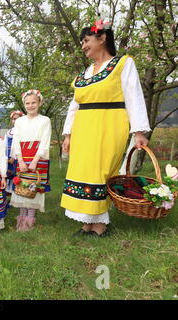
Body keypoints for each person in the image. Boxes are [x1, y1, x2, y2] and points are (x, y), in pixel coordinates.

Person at [61, 20, 150, 237]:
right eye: (82, 41)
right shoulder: (86, 72)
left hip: (109, 123)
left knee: (101, 172)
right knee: (83, 171)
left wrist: (139, 131)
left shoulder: (122, 64)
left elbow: (134, 96)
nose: (83, 46)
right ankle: (87, 224)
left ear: (102, 39)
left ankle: (100, 225)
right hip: (83, 127)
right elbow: (75, 105)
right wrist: (68, 134)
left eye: (86, 40)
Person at [11, 90, 51, 231]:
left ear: (39, 102)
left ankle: (30, 219)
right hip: (23, 156)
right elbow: (16, 141)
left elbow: (44, 141)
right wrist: (20, 160)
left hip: (37, 158)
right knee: (22, 186)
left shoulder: (45, 120)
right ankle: (21, 218)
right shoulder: (20, 121)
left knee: (33, 186)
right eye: (27, 103)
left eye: (33, 102)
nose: (30, 105)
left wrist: (35, 160)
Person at [4, 110, 24, 195]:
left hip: (18, 158)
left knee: (17, 175)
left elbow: (20, 145)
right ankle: (10, 193)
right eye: (14, 119)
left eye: (17, 119)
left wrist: (14, 156)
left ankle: (18, 192)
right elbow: (4, 145)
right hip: (8, 158)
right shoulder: (9, 132)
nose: (15, 121)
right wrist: (5, 157)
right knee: (9, 175)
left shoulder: (23, 131)